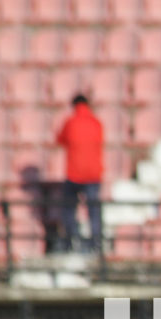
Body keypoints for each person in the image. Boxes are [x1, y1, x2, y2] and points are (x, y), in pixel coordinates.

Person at [56, 94, 103, 253]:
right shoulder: (96, 123)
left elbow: (61, 139)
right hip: (93, 175)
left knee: (69, 209)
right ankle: (96, 242)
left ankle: (70, 240)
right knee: (94, 210)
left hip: (74, 173)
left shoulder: (70, 123)